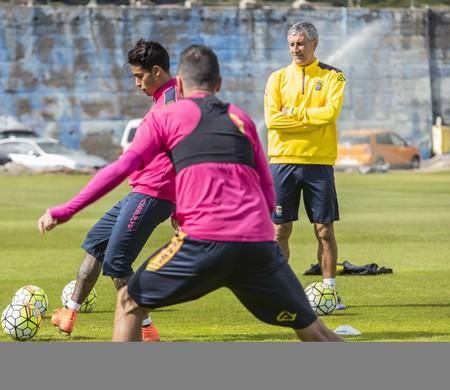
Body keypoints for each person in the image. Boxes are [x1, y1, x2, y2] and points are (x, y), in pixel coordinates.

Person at [39, 44, 343, 342]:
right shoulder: (241, 118)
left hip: (202, 241)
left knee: (128, 302)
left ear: (179, 82)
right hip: (256, 244)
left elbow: (120, 169)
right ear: (219, 84)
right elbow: (267, 191)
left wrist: (64, 211)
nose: (137, 83)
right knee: (316, 331)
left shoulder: (164, 116)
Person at [49, 39, 177, 341]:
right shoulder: (163, 98)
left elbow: (184, 153)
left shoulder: (173, 103)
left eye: (139, 76)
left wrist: (182, 204)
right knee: (95, 243)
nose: (136, 84)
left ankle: (146, 329)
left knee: (117, 263)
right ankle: (69, 311)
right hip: (140, 191)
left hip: (154, 194)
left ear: (156, 71)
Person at [264, 21, 347, 309]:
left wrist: (295, 114)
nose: (296, 49)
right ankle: (280, 292)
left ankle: (330, 293)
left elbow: (330, 114)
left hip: (318, 163)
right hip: (282, 161)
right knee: (279, 229)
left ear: (314, 44)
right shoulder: (276, 78)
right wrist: (310, 120)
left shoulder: (334, 77)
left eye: (300, 43)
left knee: (324, 229)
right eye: (292, 44)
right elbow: (272, 121)